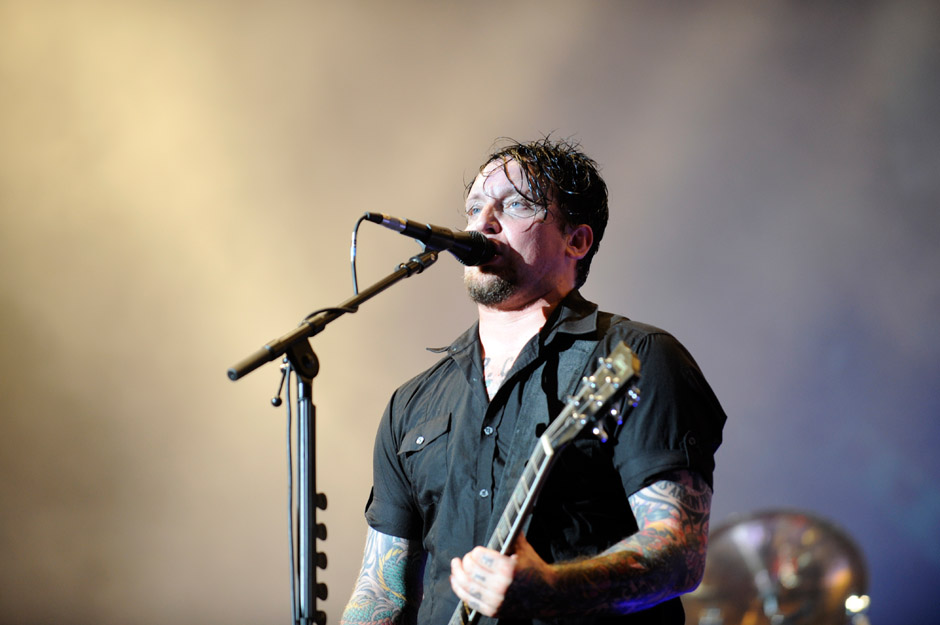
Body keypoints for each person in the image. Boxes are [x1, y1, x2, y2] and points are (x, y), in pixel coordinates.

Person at [340, 138, 726, 624]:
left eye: (516, 204)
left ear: (577, 241)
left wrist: (553, 590)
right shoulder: (413, 403)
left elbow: (679, 555)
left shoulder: (637, 357)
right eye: (475, 207)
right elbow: (381, 592)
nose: (483, 222)